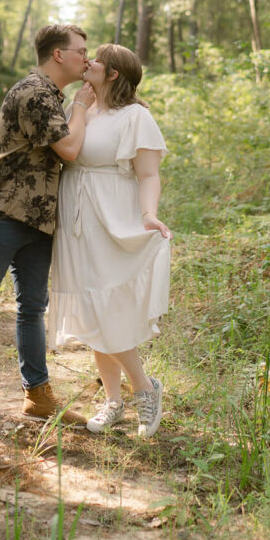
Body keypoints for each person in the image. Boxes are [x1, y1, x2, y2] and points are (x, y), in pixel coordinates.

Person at [0, 23, 96, 432]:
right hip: (2, 214)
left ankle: (37, 395)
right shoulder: (33, 93)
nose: (86, 57)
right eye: (80, 50)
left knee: (32, 308)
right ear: (58, 55)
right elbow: (70, 150)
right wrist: (81, 106)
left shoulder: (51, 96)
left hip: (38, 219)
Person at [47, 43, 171, 438]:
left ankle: (144, 389)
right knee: (88, 304)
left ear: (113, 74)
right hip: (76, 217)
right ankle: (114, 401)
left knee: (107, 308)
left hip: (111, 215)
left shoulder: (135, 117)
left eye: (96, 59)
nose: (89, 62)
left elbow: (148, 175)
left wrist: (148, 214)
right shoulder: (81, 106)